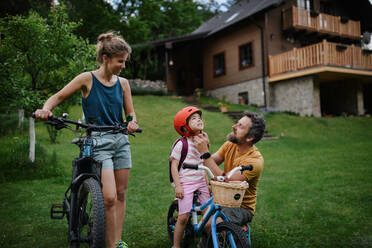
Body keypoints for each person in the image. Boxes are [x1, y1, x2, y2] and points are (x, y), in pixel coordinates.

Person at [34, 31, 138, 248]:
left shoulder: (124, 83)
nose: (123, 66)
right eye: (120, 61)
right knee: (108, 197)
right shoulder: (86, 79)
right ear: (105, 58)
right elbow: (59, 96)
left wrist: (132, 122)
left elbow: (130, 113)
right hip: (98, 141)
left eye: (125, 62)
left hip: (120, 140)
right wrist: (45, 109)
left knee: (120, 194)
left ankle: (117, 242)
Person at [192, 111, 266, 234]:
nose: (233, 126)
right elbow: (210, 162)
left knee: (209, 226)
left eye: (240, 126)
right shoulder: (230, 145)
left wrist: (205, 153)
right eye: (237, 123)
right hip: (221, 197)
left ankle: (236, 230)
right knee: (188, 200)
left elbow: (227, 181)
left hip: (240, 207)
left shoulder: (255, 161)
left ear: (249, 138)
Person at [170, 106, 210, 248]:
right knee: (183, 217)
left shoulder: (203, 139)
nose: (199, 119)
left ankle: (207, 240)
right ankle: (176, 245)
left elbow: (203, 160)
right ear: (185, 126)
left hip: (201, 181)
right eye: (194, 118)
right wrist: (178, 185)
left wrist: (206, 177)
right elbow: (174, 166)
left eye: (199, 117)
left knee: (208, 214)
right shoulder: (181, 144)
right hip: (186, 182)